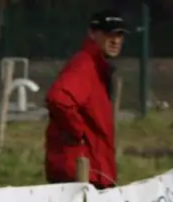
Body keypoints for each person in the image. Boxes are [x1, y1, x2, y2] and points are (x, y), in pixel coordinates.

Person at [44, 8, 125, 190]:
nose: (116, 40)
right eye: (108, 33)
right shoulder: (84, 64)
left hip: (92, 172)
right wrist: (79, 134)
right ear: (92, 33)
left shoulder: (98, 68)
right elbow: (59, 99)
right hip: (81, 175)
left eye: (119, 34)